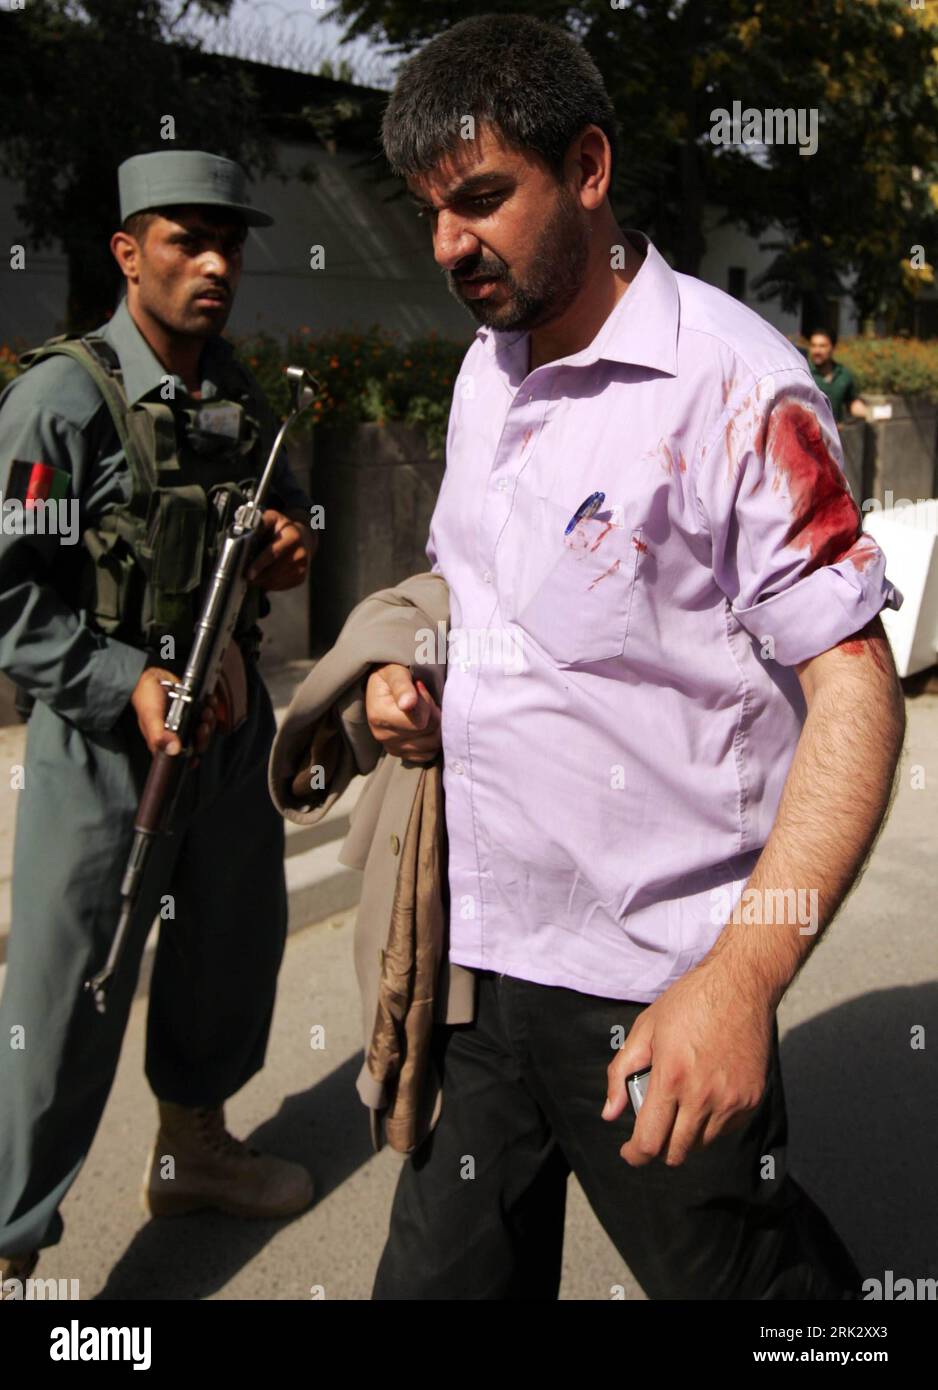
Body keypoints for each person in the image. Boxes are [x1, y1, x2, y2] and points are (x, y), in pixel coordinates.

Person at [363, 14, 905, 1300]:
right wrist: (423, 686)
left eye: (482, 199)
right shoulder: (484, 367)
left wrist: (740, 981)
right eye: (430, 211)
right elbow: (483, 592)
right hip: (484, 960)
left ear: (589, 167)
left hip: (656, 977)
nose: (449, 244)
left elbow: (854, 693)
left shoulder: (735, 389)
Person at [0, 150, 317, 1292]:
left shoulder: (236, 388)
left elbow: (281, 522)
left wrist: (287, 547)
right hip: (104, 751)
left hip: (226, 725)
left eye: (230, 241)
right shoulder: (60, 399)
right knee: (66, 995)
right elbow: (10, 592)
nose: (216, 263)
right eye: (186, 239)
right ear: (129, 252)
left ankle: (191, 1150)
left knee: (228, 949)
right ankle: (11, 1241)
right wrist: (114, 676)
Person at [805, 329, 867, 423]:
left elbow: (851, 402)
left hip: (836, 435)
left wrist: (869, 412)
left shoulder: (843, 374)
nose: (817, 351)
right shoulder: (804, 373)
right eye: (813, 346)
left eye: (822, 346)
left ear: (832, 347)